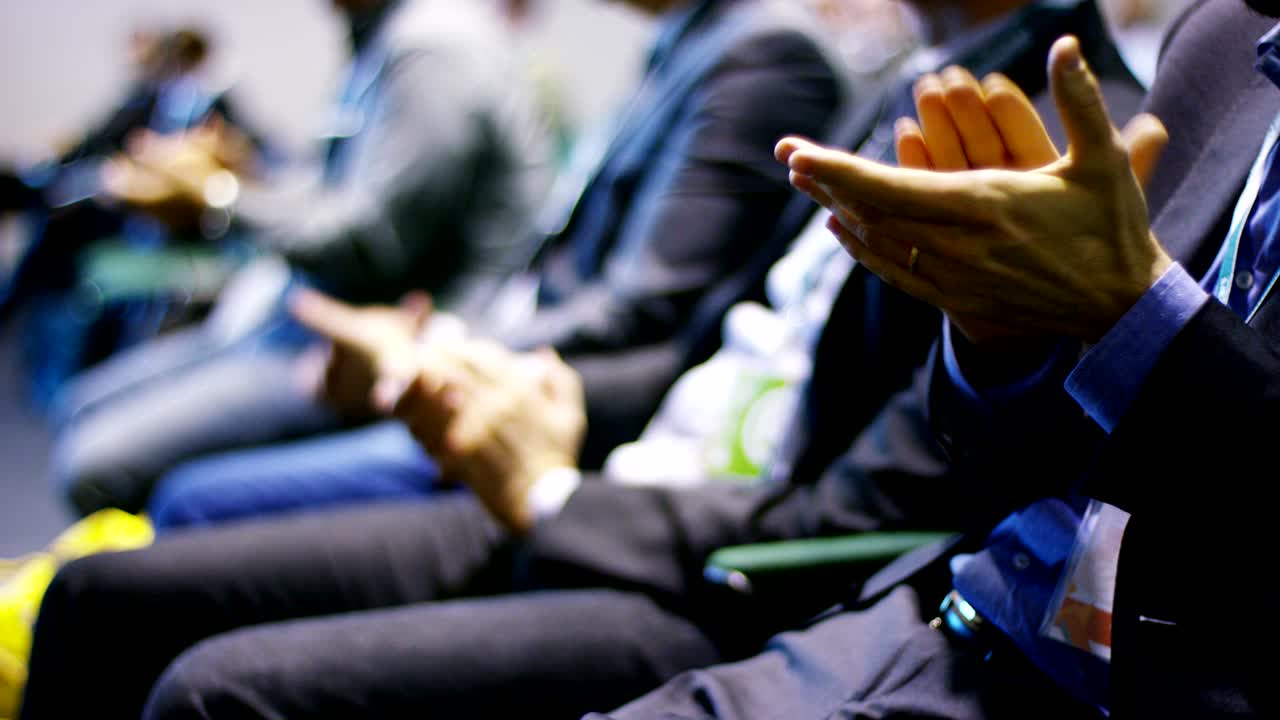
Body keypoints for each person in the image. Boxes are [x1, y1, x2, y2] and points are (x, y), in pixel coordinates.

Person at [17, 0, 1142, 718]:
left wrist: (548, 482)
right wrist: (503, 393)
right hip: (624, 483)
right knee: (105, 590)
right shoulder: (886, 78)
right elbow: (705, 342)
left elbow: (876, 502)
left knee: (210, 685)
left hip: (717, 569)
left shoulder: (1053, 124)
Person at [587, 0, 1279, 716]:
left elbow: (870, 499)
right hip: (956, 615)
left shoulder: (1074, 91)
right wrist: (1005, 342)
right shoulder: (1225, 36)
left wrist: (1134, 323)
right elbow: (1026, 458)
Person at [131, 0, 851, 528]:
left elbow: (649, 309)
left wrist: (429, 352)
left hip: (559, 404)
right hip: (480, 341)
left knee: (183, 499)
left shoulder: (762, 51)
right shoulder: (686, 42)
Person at [49, 0, 555, 517]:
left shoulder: (433, 47)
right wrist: (245, 179)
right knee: (77, 406)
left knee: (93, 465)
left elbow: (373, 244)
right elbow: (331, 196)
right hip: (312, 319)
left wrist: (218, 197)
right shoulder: (386, 38)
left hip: (376, 350)